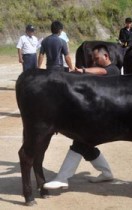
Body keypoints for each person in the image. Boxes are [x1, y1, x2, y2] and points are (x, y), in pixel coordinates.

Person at [44, 45, 120, 190]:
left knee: (80, 142)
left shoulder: (113, 69)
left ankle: (62, 178)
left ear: (106, 56)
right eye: (93, 59)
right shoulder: (99, 71)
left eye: (97, 58)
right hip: (95, 115)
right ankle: (106, 172)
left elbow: (102, 71)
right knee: (86, 145)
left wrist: (83, 70)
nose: (95, 61)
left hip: (107, 116)